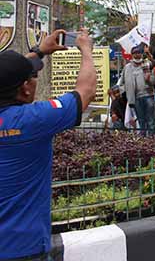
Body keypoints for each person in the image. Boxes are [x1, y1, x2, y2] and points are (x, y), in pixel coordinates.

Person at [0, 29, 97, 260]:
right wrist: (86, 50)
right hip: (24, 249)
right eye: (33, 77)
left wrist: (39, 51)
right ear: (24, 88)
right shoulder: (34, 121)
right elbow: (86, 91)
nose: (36, 80)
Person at [122, 44, 155, 134]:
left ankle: (152, 141)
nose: (137, 55)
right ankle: (143, 143)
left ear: (142, 54)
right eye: (135, 53)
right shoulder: (127, 67)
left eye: (139, 53)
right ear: (132, 55)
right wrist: (127, 93)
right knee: (141, 122)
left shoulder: (147, 64)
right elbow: (121, 83)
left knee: (150, 121)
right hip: (135, 98)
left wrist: (148, 53)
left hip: (148, 95)